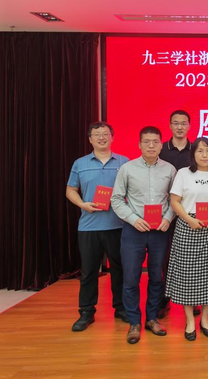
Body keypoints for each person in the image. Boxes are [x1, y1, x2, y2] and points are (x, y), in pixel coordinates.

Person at [111, 126, 176, 344]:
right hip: (134, 230)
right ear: (139, 145)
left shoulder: (169, 169)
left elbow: (175, 199)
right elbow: (116, 199)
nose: (151, 145)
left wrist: (168, 218)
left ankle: (151, 318)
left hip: (159, 231)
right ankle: (134, 323)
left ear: (161, 145)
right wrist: (133, 219)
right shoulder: (127, 169)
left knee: (157, 276)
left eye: (155, 142)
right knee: (131, 277)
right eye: (146, 141)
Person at [66, 121, 129, 332]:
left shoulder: (124, 162)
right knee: (89, 271)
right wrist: (83, 204)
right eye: (97, 134)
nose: (101, 137)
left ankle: (121, 308)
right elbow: (70, 190)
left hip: (118, 225)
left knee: (120, 269)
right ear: (90, 139)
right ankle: (86, 312)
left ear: (112, 137)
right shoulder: (80, 163)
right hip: (89, 226)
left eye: (105, 134)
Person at [166, 137, 208, 340]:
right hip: (188, 226)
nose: (204, 155)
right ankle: (190, 320)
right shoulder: (183, 173)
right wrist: (189, 220)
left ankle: (205, 319)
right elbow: (175, 201)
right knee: (187, 275)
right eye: (200, 151)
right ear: (193, 154)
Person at [158, 109, 194, 318]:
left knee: (191, 257)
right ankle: (164, 299)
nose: (180, 127)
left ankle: (193, 298)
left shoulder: (197, 149)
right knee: (164, 257)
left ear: (189, 126)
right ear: (170, 125)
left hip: (191, 212)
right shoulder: (161, 149)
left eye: (183, 123)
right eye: (176, 123)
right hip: (166, 212)